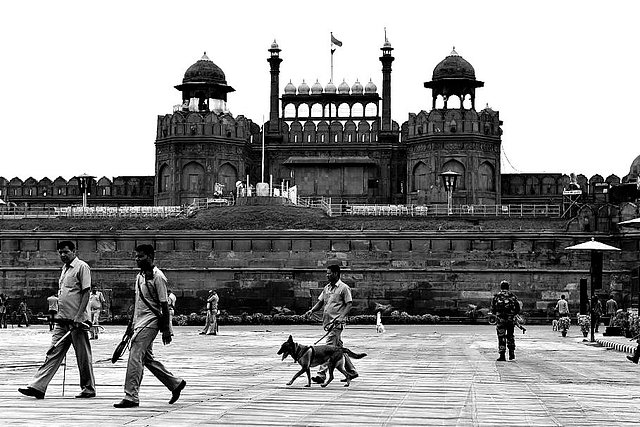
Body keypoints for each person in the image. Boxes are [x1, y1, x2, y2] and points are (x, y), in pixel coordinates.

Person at [18, 240, 96, 399]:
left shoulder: (82, 267)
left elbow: (86, 293)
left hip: (76, 321)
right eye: (60, 252)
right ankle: (38, 387)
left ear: (74, 251)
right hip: (62, 320)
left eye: (66, 252)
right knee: (53, 351)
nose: (63, 255)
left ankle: (88, 388)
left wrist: (80, 315)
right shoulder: (64, 269)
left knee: (83, 356)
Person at [113, 244, 186, 408]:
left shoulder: (158, 277)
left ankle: (131, 396)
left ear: (151, 257)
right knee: (146, 358)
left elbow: (164, 305)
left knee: (135, 355)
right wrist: (130, 326)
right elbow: (137, 303)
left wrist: (166, 329)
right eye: (136, 256)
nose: (137, 259)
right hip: (139, 322)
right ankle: (175, 383)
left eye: (141, 256)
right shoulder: (139, 276)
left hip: (151, 321)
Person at [304, 264, 358, 383]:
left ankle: (321, 375)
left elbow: (349, 304)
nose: (327, 275)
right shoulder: (326, 288)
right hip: (328, 323)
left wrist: (341, 317)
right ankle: (352, 371)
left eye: (329, 273)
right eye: (327, 273)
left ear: (336, 273)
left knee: (328, 348)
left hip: (336, 324)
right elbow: (320, 302)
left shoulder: (344, 288)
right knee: (338, 348)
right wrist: (312, 310)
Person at [490, 280, 521, 361]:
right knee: (510, 336)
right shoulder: (513, 296)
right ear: (508, 287)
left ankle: (502, 355)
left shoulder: (497, 297)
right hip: (511, 320)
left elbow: (493, 309)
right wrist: (513, 314)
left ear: (501, 287)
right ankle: (511, 353)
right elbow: (518, 308)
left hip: (501, 320)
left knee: (501, 336)